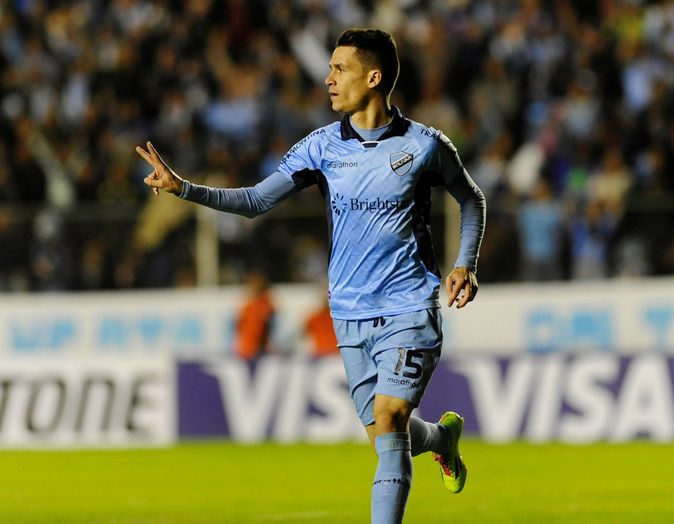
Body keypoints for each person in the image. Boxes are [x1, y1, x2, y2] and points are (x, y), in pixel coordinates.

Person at [137, 28, 485, 524]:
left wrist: (465, 262)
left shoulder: (425, 144)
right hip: (348, 314)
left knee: (389, 419)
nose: (328, 79)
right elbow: (255, 201)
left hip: (409, 306)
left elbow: (471, 199)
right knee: (386, 436)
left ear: (373, 77)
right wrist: (185, 188)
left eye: (340, 69)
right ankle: (443, 440)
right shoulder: (320, 147)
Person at [235, 269, 276, 359]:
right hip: (248, 349)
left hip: (259, 349)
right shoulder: (247, 304)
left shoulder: (264, 302)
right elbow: (240, 326)